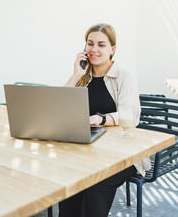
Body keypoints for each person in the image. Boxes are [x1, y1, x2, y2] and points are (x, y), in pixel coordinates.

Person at [59, 23, 151, 217]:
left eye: (101, 44)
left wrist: (99, 119)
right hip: (87, 150)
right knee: (69, 179)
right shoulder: (84, 76)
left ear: (112, 49)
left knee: (95, 185)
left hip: (122, 154)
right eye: (90, 43)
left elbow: (131, 116)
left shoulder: (124, 77)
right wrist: (75, 74)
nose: (94, 49)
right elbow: (59, 106)